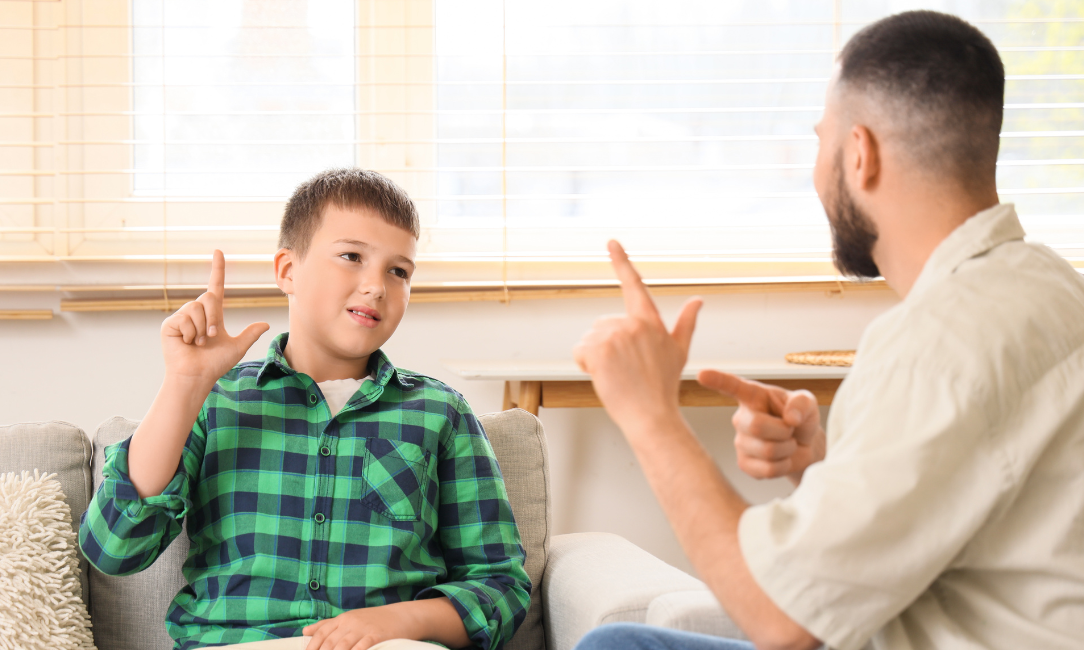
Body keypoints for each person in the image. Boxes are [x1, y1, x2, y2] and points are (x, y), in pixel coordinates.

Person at [571, 11, 1084, 650]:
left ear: (860, 154)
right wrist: (818, 469)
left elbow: (785, 621)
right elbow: (957, 508)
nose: (816, 172)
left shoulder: (933, 343)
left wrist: (649, 414)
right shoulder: (1050, 283)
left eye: (821, 141)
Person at [80, 169, 531, 650]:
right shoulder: (216, 400)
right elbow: (113, 547)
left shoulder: (440, 413)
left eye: (398, 270)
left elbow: (501, 586)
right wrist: (185, 385)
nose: (376, 286)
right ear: (287, 271)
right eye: (352, 256)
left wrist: (397, 622)